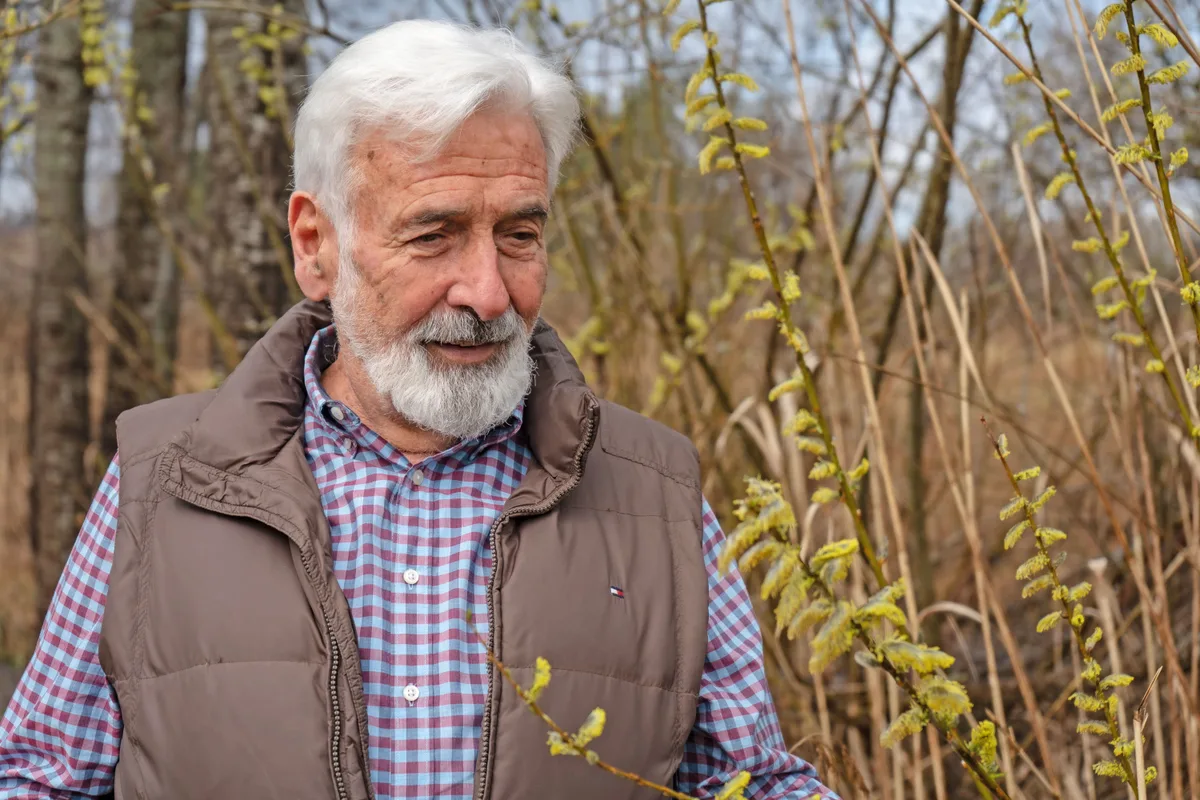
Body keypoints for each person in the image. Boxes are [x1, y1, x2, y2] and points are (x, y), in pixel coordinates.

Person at [0, 19, 835, 800]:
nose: (487, 292)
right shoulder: (160, 483)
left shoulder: (656, 497)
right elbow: (39, 778)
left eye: (519, 233)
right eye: (432, 234)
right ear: (315, 244)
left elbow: (752, 783)